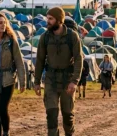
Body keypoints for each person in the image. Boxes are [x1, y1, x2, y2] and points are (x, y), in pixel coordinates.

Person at [33, 7, 83, 136]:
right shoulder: (44, 37)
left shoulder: (72, 36)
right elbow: (39, 60)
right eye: (47, 18)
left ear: (59, 20)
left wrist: (75, 81)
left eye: (51, 19)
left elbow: (78, 59)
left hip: (68, 79)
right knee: (51, 115)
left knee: (67, 115)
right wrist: (37, 81)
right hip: (50, 79)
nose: (47, 21)